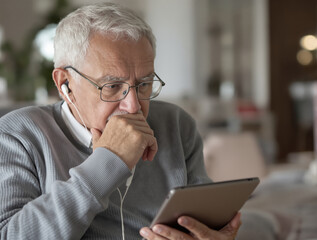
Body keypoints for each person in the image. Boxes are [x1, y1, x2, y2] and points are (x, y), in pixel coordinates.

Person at [0, 3, 241, 239]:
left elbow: (203, 223)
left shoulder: (176, 125)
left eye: (144, 84)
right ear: (66, 83)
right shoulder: (17, 135)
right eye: (113, 86)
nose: (134, 106)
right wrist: (107, 162)